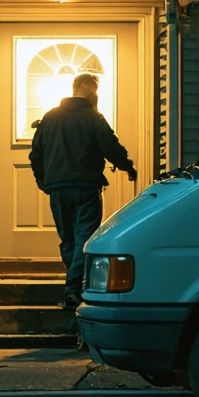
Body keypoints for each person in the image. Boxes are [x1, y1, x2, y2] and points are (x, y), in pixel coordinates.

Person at [29, 73, 136, 308]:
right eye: (94, 88)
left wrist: (43, 180)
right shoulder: (92, 117)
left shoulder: (50, 117)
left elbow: (35, 154)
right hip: (85, 188)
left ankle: (73, 285)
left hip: (58, 189)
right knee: (83, 240)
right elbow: (110, 145)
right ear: (84, 86)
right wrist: (127, 166)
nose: (96, 93)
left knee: (68, 240)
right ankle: (73, 289)